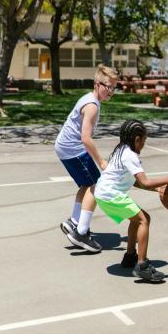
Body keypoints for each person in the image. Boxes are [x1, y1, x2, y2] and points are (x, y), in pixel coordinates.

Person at [94, 119, 168, 282]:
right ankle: (142, 266)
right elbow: (144, 181)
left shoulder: (121, 150)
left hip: (103, 193)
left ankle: (130, 256)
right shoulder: (131, 156)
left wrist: (157, 189)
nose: (144, 145)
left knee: (136, 219)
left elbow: (135, 182)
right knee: (144, 220)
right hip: (110, 194)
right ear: (137, 140)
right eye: (144, 141)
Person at [55, 64, 118, 253]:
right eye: (108, 87)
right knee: (96, 185)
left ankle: (74, 221)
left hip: (65, 148)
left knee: (85, 185)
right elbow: (86, 138)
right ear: (97, 84)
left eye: (114, 88)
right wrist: (101, 161)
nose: (111, 92)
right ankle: (80, 233)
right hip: (73, 149)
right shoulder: (91, 106)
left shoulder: (90, 100)